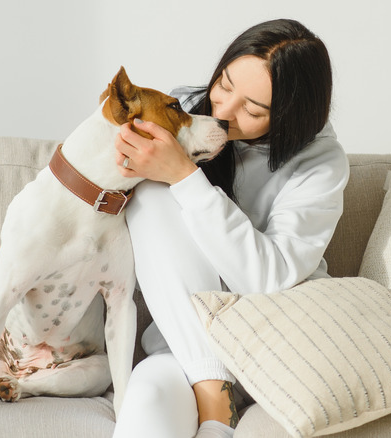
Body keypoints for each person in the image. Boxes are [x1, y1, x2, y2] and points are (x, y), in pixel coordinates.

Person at [111, 18, 349, 438]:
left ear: (291, 117)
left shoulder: (320, 163)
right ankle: (212, 391)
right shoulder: (182, 108)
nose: (221, 110)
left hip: (267, 348)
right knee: (145, 404)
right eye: (223, 84)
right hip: (183, 348)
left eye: (253, 110)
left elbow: (267, 277)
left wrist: (186, 177)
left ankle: (215, 395)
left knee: (163, 183)